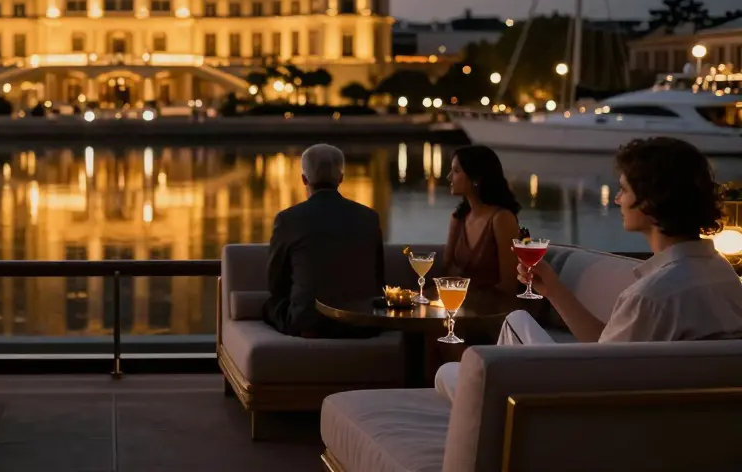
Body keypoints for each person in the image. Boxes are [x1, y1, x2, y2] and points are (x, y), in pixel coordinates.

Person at [435, 137, 742, 400]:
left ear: (649, 202)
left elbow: (599, 376)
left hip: (586, 410)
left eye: (623, 190)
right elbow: (604, 348)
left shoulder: (651, 297)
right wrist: (552, 288)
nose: (618, 200)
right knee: (516, 321)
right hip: (676, 415)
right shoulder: (725, 276)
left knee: (450, 374)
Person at [263, 143, 385, 338]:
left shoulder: (288, 220)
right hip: (362, 324)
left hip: (311, 325)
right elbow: (379, 277)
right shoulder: (369, 218)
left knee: (271, 305)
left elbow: (275, 283)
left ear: (304, 179)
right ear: (341, 178)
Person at [442, 145, 522, 295]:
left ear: (476, 179)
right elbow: (447, 269)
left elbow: (509, 285)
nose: (449, 177)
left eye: (456, 171)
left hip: (494, 310)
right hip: (459, 305)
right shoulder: (458, 218)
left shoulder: (501, 219)